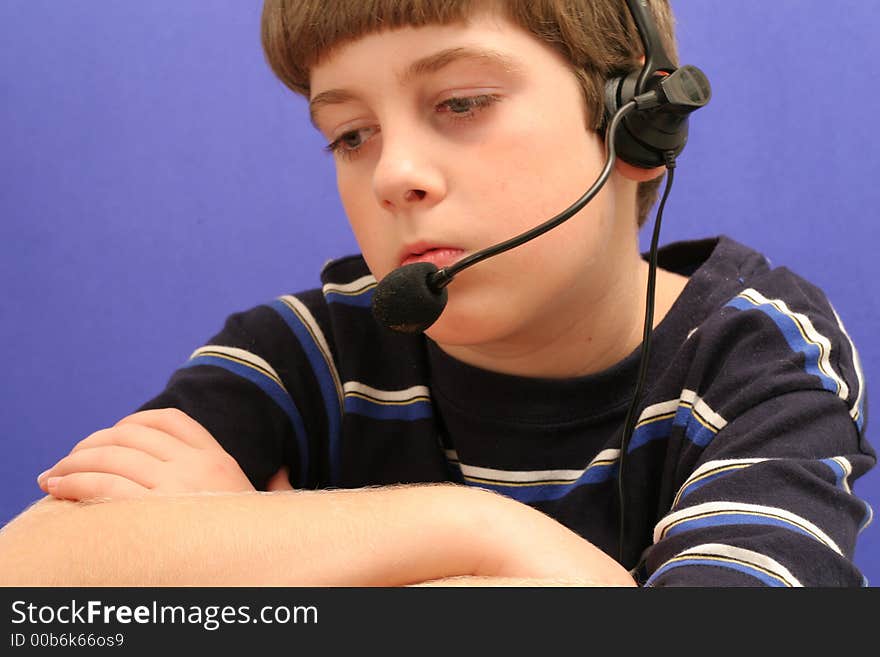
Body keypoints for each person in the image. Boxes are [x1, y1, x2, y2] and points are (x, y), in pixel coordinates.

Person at [0, 0, 874, 587]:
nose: (395, 174)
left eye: (459, 103)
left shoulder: (757, 356)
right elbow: (34, 573)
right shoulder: (308, 349)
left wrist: (267, 544)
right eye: (351, 133)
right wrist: (483, 533)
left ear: (636, 118)